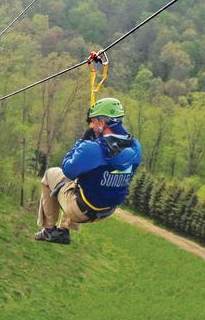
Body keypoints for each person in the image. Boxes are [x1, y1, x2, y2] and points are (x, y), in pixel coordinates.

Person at [35, 98, 141, 245]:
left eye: (93, 121)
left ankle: (49, 230)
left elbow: (68, 170)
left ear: (102, 123)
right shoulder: (135, 147)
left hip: (81, 210)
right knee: (87, 175)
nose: (91, 125)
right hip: (107, 210)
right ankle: (64, 227)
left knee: (50, 174)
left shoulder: (92, 148)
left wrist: (82, 142)